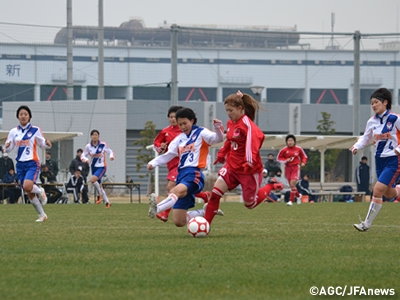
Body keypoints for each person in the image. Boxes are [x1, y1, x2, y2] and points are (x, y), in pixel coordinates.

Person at [203, 91, 283, 226]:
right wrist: (222, 154)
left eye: (231, 110)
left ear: (240, 108)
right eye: (226, 110)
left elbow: (256, 139)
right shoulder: (230, 123)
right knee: (215, 194)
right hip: (231, 166)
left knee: (249, 204)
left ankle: (270, 185)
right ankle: (205, 224)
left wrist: (249, 162)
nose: (228, 113)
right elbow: (230, 140)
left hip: (248, 170)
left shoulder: (247, 124)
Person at [147, 107, 225, 228]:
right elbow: (168, 155)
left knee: (174, 191)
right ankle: (206, 211)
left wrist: (217, 128)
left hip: (194, 174)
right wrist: (153, 162)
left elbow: (218, 138)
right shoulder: (179, 139)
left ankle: (157, 208)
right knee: (180, 221)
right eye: (180, 124)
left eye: (185, 123)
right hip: (181, 175)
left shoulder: (201, 132)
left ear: (192, 120)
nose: (183, 127)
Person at [351, 88, 400, 232]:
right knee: (388, 193)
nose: (373, 105)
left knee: (377, 190)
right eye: (372, 103)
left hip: (394, 160)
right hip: (379, 160)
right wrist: (356, 147)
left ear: (385, 102)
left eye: (376, 102)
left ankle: (366, 224)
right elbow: (366, 137)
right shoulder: (371, 122)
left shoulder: (395, 118)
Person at [3, 105, 50, 221]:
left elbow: (42, 144)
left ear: (29, 117)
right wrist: (6, 147)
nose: (23, 116)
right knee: (28, 191)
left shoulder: (35, 130)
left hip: (32, 162)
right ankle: (42, 215)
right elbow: (9, 149)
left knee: (27, 186)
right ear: (18, 117)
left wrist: (48, 144)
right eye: (21, 114)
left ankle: (40, 191)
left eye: (25, 114)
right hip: (20, 164)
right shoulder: (13, 132)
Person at [81, 129, 114, 208]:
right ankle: (108, 203)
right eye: (93, 135)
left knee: (92, 180)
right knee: (100, 186)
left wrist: (111, 156)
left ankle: (100, 196)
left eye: (96, 135)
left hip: (102, 166)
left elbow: (110, 151)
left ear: (98, 136)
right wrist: (86, 160)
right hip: (93, 167)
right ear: (91, 136)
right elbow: (82, 155)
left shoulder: (103, 144)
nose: (94, 136)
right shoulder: (88, 146)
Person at [277, 134, 308, 206]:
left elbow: (304, 156)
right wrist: (285, 160)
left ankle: (291, 201)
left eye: (291, 140)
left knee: (292, 183)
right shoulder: (284, 150)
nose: (290, 142)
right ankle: (298, 196)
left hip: (296, 167)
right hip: (287, 168)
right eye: (288, 141)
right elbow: (279, 158)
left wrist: (303, 162)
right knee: (292, 186)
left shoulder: (298, 149)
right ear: (286, 142)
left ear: (294, 142)